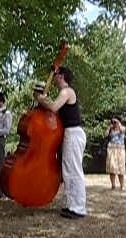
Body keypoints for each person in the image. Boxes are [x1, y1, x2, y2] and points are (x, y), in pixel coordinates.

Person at [34, 66, 87, 219]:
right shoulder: (64, 93)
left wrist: (40, 98)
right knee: (69, 171)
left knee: (74, 171)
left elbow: (53, 106)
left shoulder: (66, 92)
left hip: (73, 133)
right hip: (70, 134)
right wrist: (42, 100)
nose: (54, 77)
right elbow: (55, 111)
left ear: (61, 76)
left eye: (55, 74)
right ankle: (73, 205)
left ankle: (78, 208)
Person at [105, 117, 126, 190]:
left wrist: (118, 123)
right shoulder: (111, 129)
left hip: (120, 149)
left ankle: (122, 185)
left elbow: (123, 130)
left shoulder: (122, 128)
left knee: (121, 168)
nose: (114, 123)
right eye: (113, 122)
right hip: (111, 149)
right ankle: (113, 185)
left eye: (115, 122)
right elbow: (105, 135)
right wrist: (109, 128)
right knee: (112, 168)